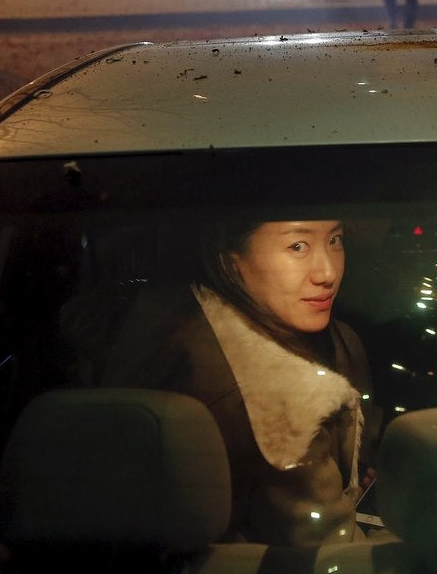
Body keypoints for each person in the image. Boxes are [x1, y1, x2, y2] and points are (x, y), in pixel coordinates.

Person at [102, 218, 374, 546]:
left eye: (335, 240)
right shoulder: (275, 398)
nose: (327, 272)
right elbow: (329, 555)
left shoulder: (172, 324)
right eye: (297, 246)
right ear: (230, 261)